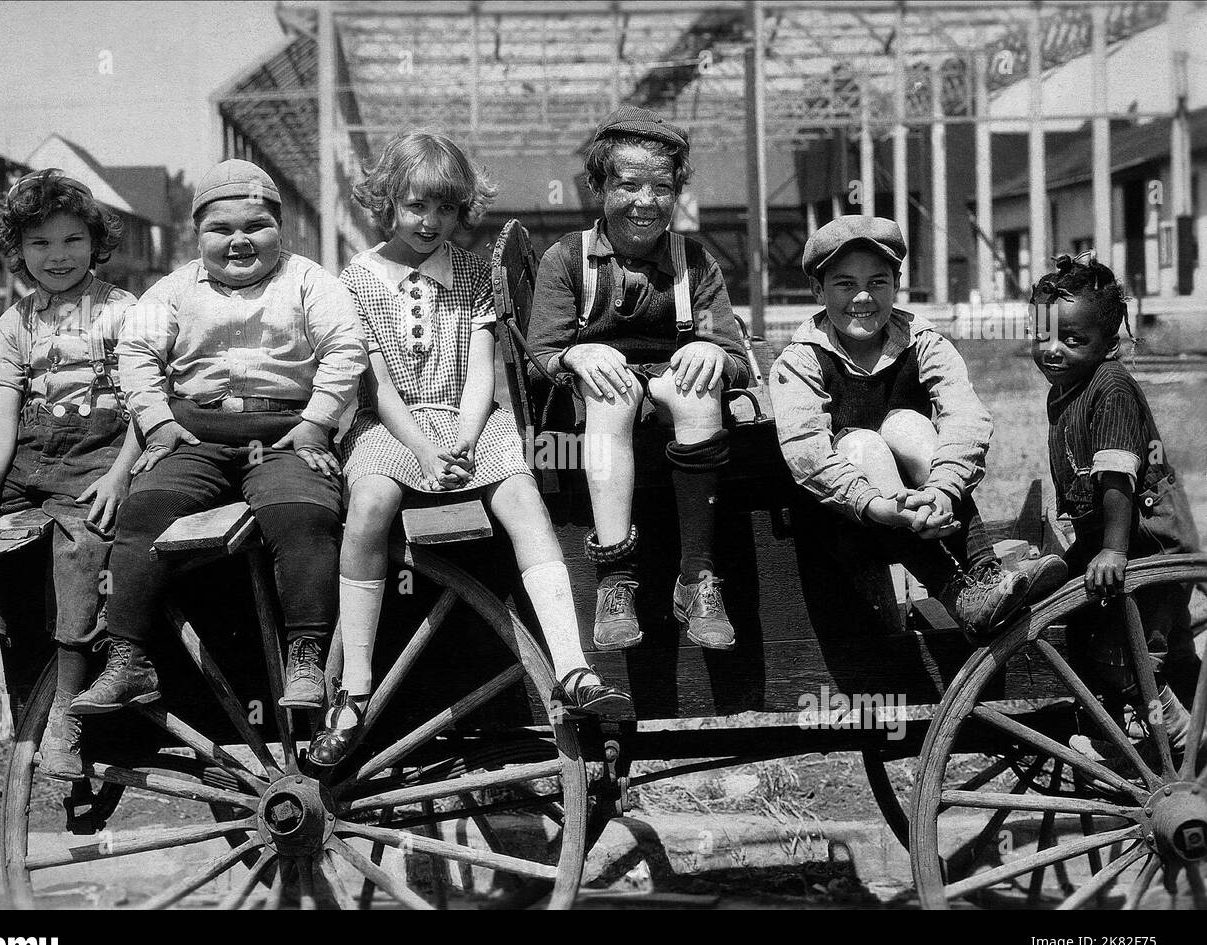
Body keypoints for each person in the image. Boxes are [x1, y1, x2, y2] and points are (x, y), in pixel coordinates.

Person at [310, 130, 632, 767]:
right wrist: (426, 453)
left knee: (522, 496)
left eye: (447, 209)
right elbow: (375, 385)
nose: (432, 222)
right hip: (393, 425)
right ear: (387, 203)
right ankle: (352, 691)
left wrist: (461, 433)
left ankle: (571, 667)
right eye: (416, 207)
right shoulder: (357, 279)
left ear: (463, 211)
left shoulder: (476, 273)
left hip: (469, 418)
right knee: (370, 502)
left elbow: (481, 369)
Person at [70, 159, 368, 717]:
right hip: (195, 435)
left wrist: (316, 422)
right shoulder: (174, 289)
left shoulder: (310, 282)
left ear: (280, 229)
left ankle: (305, 652)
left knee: (302, 513)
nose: (238, 241)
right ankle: (128, 657)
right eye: (220, 230)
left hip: (286, 433)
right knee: (144, 510)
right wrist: (159, 423)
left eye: (255, 226)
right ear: (196, 234)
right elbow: (137, 354)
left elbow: (346, 350)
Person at [0, 169, 142, 776]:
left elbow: (148, 405)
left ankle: (66, 708)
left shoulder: (126, 313)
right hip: (28, 458)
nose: (57, 256)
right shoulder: (17, 322)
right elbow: (3, 410)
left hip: (100, 454)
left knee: (81, 549)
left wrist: (121, 473)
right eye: (39, 244)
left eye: (71, 240)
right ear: (18, 252)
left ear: (94, 241)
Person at [772, 215, 1066, 641]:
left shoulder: (923, 341)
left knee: (908, 424)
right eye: (844, 284)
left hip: (934, 509)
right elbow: (806, 451)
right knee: (864, 444)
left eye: (877, 282)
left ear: (896, 284)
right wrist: (880, 505)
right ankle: (957, 593)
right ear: (818, 291)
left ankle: (985, 572)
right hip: (850, 522)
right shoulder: (800, 362)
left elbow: (965, 416)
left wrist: (942, 487)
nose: (862, 298)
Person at [526, 106, 751, 652]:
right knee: (613, 393)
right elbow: (542, 349)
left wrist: (712, 353)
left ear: (677, 192)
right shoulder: (567, 258)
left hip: (669, 389)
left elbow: (739, 361)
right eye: (628, 185)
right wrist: (575, 359)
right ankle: (615, 578)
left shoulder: (695, 262)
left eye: (662, 187)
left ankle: (696, 576)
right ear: (598, 186)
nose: (645, 202)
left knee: (696, 388)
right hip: (599, 397)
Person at [1028, 252, 1202, 765]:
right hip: (1113, 534)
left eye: (1073, 340)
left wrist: (1111, 550)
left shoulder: (1111, 387)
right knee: (1115, 634)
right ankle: (1172, 714)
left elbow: (1116, 476)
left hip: (1147, 540)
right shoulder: (1064, 391)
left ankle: (1172, 732)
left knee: (1132, 650)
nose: (1053, 350)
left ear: (1109, 345)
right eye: (1042, 336)